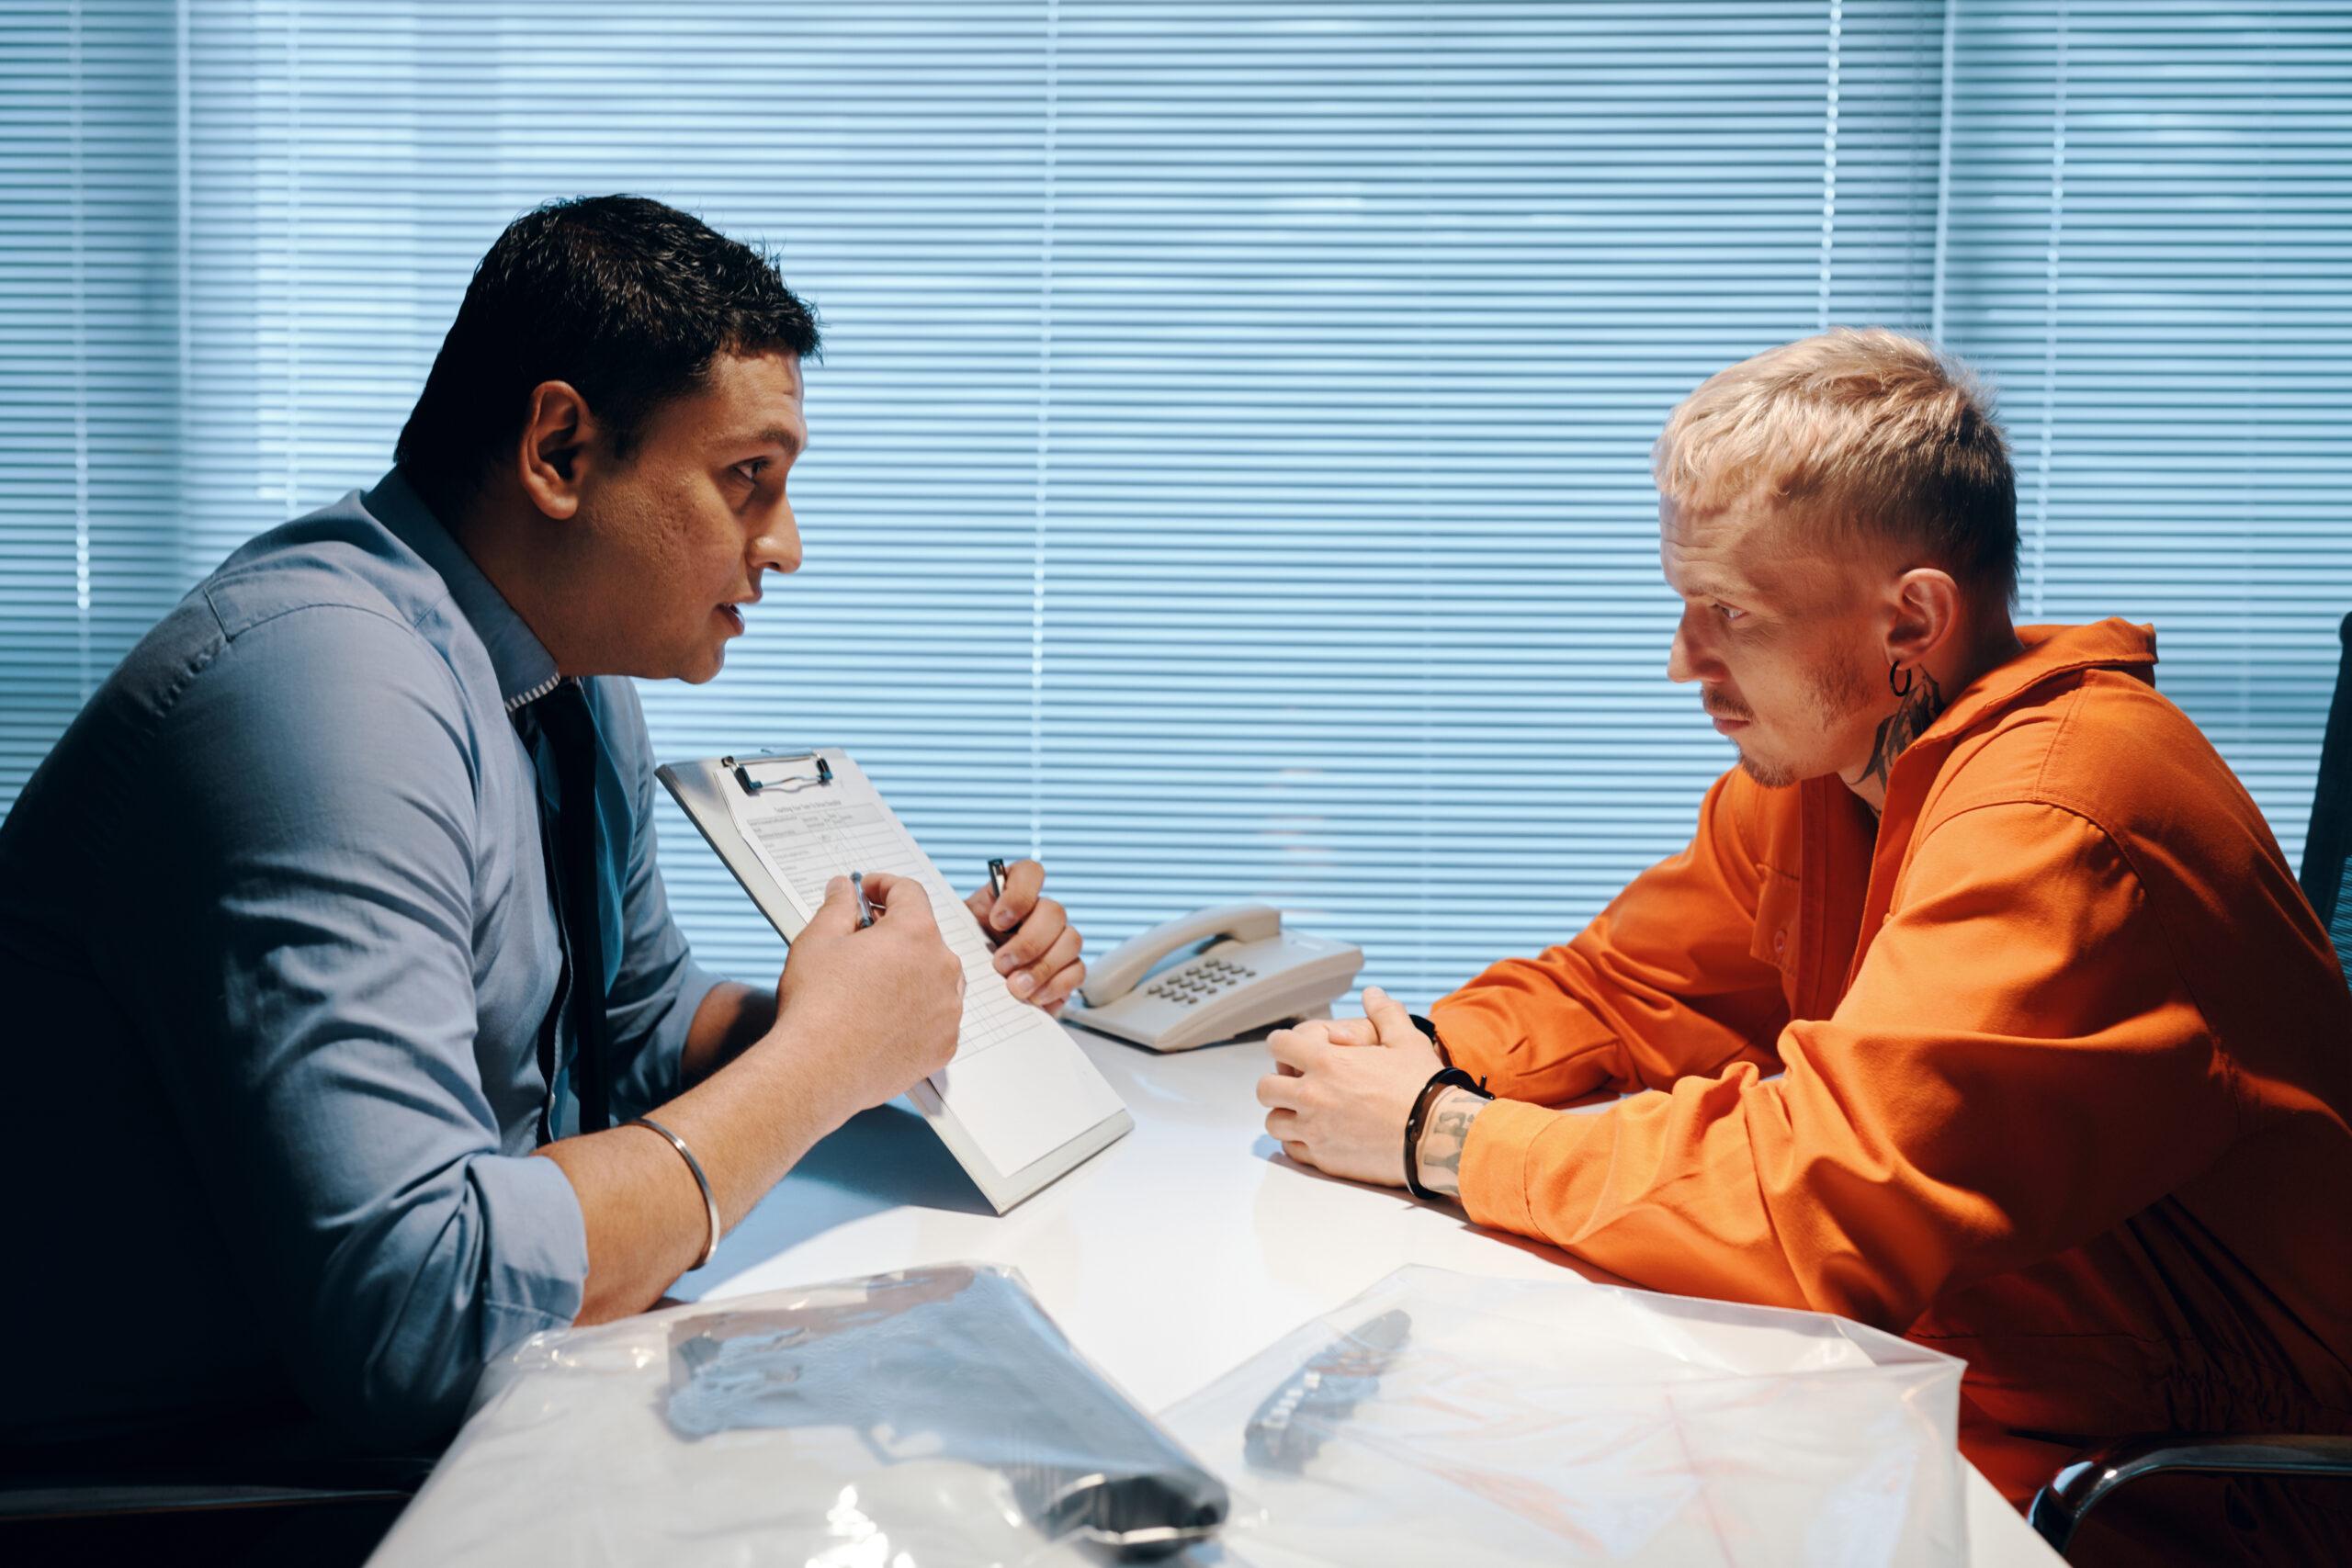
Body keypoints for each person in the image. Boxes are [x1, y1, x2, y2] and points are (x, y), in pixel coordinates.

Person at [0, 196, 1085, 1453]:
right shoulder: (325, 693)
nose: (783, 547)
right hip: (188, 1484)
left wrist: (888, 1000)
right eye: (748, 480)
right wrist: (823, 1061)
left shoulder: (562, 674)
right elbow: (423, 1313)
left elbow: (627, 1033)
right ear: (561, 452)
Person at [1259, 329, 2352, 1549]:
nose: (1686, 664)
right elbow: (1626, 990)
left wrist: (1437, 1134)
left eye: (1730, 613)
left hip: (2168, 1478)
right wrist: (1401, 1053)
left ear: (1913, 621)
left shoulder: (2058, 816)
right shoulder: (1830, 771)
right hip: (1950, 1374)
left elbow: (1820, 1199)